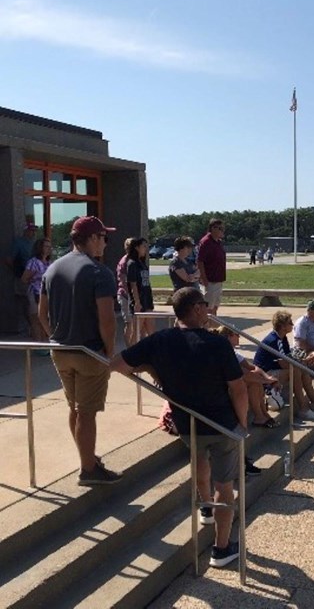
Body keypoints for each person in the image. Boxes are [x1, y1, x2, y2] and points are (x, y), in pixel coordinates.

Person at [110, 286, 249, 568]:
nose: (209, 310)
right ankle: (221, 548)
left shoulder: (160, 340)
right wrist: (243, 423)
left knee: (200, 460)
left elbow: (118, 364)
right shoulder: (217, 344)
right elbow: (238, 390)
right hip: (221, 424)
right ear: (196, 309)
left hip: (188, 424)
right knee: (225, 483)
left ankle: (206, 507)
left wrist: (152, 368)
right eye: (205, 305)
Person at [38, 216, 121, 486]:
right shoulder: (99, 272)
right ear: (92, 239)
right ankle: (88, 470)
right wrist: (108, 352)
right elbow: (106, 319)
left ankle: (87, 458)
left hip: (61, 350)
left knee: (75, 408)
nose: (105, 244)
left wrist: (55, 336)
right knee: (86, 412)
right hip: (89, 352)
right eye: (103, 238)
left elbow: (42, 312)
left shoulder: (52, 269)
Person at [254, 310, 314, 419]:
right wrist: (303, 362)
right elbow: (285, 365)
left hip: (275, 370)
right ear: (282, 326)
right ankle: (303, 409)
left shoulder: (282, 338)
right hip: (265, 375)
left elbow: (289, 358)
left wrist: (304, 360)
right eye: (290, 322)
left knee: (302, 369)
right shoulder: (274, 340)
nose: (292, 324)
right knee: (295, 370)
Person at [215, 325, 281, 429]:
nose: (239, 337)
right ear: (228, 337)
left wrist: (266, 377)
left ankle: (263, 414)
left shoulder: (234, 352)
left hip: (235, 384)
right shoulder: (221, 353)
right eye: (237, 335)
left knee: (255, 382)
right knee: (252, 381)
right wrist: (267, 381)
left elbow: (252, 367)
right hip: (224, 388)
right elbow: (241, 373)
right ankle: (260, 416)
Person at [21, 237, 52, 354]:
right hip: (34, 292)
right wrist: (35, 279)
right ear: (40, 248)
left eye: (50, 246)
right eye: (46, 246)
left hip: (47, 294)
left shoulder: (49, 262)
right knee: (35, 319)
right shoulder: (33, 262)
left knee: (45, 318)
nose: (49, 249)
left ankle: (46, 344)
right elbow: (24, 278)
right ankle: (38, 345)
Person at [6, 222, 38, 332]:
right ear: (25, 231)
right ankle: (30, 327)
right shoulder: (19, 242)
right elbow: (9, 259)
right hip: (23, 277)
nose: (33, 232)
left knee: (33, 302)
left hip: (35, 278)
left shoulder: (34, 243)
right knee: (27, 302)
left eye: (34, 230)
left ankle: (33, 327)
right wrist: (18, 272)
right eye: (31, 230)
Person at [126, 237, 154, 339]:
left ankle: (154, 354)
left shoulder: (142, 263)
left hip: (147, 300)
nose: (145, 249)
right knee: (136, 332)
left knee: (151, 331)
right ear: (137, 247)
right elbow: (133, 284)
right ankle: (131, 353)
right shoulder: (132, 264)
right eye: (143, 246)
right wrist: (137, 302)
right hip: (139, 301)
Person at [197, 218, 226, 316]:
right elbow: (200, 261)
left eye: (222, 228)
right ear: (213, 228)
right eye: (220, 228)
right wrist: (204, 279)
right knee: (207, 308)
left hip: (218, 280)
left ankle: (212, 329)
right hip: (210, 281)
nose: (222, 231)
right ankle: (205, 328)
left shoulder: (218, 242)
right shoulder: (206, 242)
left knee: (215, 307)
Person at [116, 237, 135, 347]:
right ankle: (129, 347)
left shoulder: (133, 261)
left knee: (134, 323)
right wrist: (131, 297)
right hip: (125, 296)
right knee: (129, 323)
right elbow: (123, 281)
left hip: (131, 296)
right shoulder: (125, 262)